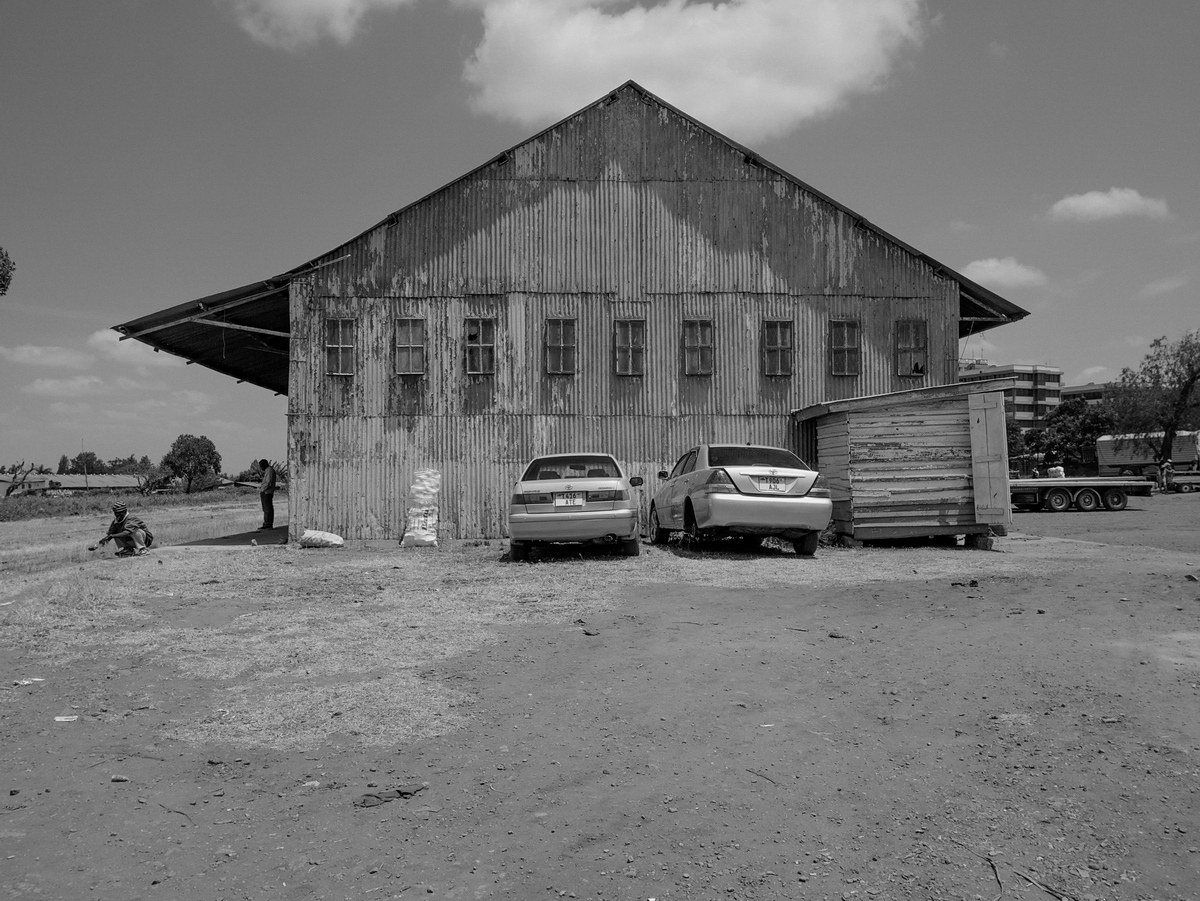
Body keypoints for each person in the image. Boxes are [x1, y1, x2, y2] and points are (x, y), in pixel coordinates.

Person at [257, 458, 277, 530]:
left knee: (267, 508)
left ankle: (267, 524)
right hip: (267, 491)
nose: (261, 467)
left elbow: (268, 482)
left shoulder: (269, 471)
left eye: (261, 466)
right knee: (267, 508)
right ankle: (267, 523)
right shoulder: (268, 470)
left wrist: (263, 490)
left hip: (267, 492)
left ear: (265, 464)